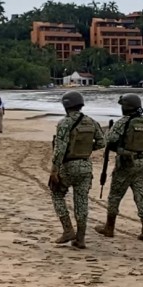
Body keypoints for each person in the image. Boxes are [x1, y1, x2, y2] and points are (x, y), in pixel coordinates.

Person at [49, 90, 105, 249]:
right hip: (86, 165)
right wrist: (87, 149)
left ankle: (68, 229)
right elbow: (102, 142)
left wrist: (54, 170)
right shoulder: (91, 122)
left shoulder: (64, 123)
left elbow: (60, 149)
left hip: (69, 165)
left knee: (57, 194)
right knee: (81, 202)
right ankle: (80, 239)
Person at [95, 93, 143, 242]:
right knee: (141, 195)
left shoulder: (123, 122)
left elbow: (109, 140)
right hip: (142, 162)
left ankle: (109, 228)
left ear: (127, 107)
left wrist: (109, 134)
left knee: (115, 195)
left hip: (126, 163)